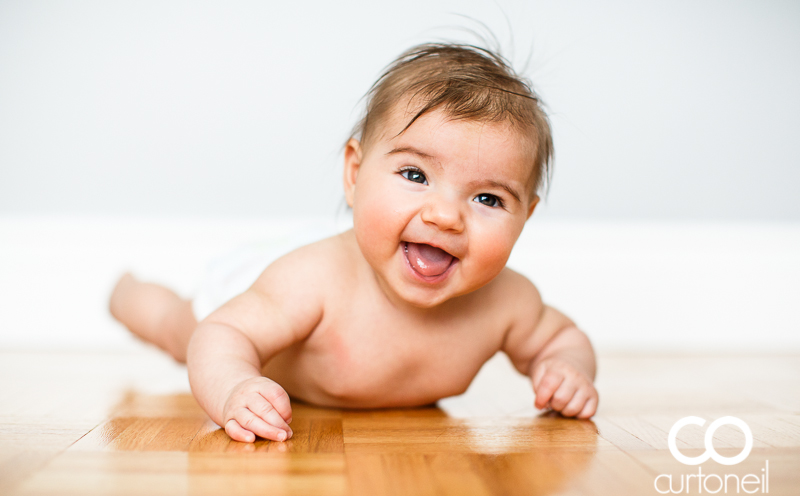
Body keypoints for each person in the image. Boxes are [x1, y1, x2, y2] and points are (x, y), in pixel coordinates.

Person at [109, 43, 599, 443]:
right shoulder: (312, 279)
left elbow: (561, 338)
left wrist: (566, 369)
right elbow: (222, 335)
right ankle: (130, 294)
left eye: (488, 199)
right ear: (355, 173)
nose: (445, 215)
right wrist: (236, 384)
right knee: (181, 329)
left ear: (525, 217)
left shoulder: (507, 302)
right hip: (251, 295)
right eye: (415, 174)